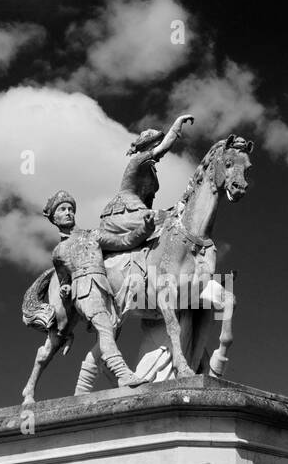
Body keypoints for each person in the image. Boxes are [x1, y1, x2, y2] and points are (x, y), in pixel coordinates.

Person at [43, 189, 139, 388]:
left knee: (109, 331)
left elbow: (124, 241)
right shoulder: (58, 252)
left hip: (104, 289)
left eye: (70, 209)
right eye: (63, 209)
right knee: (105, 330)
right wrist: (66, 289)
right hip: (85, 292)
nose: (68, 212)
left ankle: (82, 387)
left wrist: (144, 229)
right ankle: (123, 374)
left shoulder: (92, 235)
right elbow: (64, 281)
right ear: (54, 217)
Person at [98, 114, 194, 252]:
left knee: (173, 217)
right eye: (155, 145)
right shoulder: (138, 161)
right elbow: (165, 146)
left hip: (138, 211)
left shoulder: (151, 170)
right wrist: (178, 123)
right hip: (123, 212)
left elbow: (147, 204)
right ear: (149, 146)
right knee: (172, 219)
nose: (158, 149)